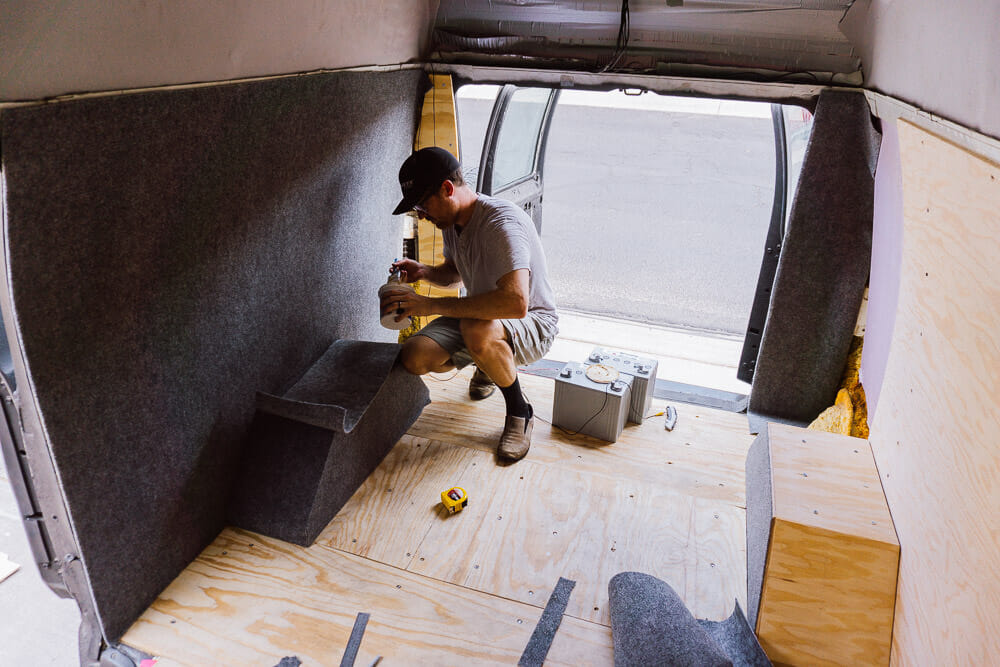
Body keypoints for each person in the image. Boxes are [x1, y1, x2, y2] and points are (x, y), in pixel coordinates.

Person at [382, 147, 558, 462]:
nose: (421, 215)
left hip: (533, 322)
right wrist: (424, 271)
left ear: (447, 189)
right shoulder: (452, 223)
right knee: (414, 357)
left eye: (423, 205)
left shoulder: (501, 224)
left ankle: (520, 412)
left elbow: (516, 303)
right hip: (481, 318)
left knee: (478, 330)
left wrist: (428, 305)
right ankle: (489, 363)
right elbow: (456, 273)